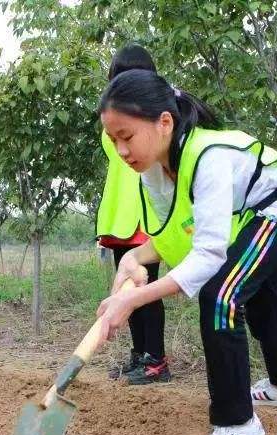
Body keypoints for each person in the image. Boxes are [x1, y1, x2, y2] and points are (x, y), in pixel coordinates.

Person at [95, 70, 277, 435]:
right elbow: (177, 237)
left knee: (221, 295)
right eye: (114, 141)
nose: (122, 151)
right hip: (245, 214)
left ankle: (239, 425)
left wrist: (135, 300)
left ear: (164, 123)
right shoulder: (151, 174)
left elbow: (208, 256)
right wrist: (131, 258)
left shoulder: (209, 158)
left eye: (127, 136)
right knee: (255, 294)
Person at [96, 44, 168, 385]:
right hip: (120, 218)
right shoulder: (113, 125)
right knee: (125, 294)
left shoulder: (154, 122)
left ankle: (156, 360)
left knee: (146, 293)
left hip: (146, 220)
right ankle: (139, 356)